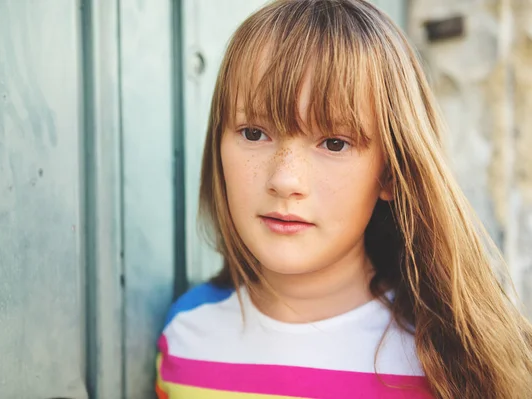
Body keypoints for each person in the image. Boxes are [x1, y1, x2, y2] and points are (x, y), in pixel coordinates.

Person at [155, 0, 532, 397]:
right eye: (254, 133)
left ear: (390, 171)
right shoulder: (185, 335)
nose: (285, 180)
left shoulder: (446, 363)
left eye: (334, 143)